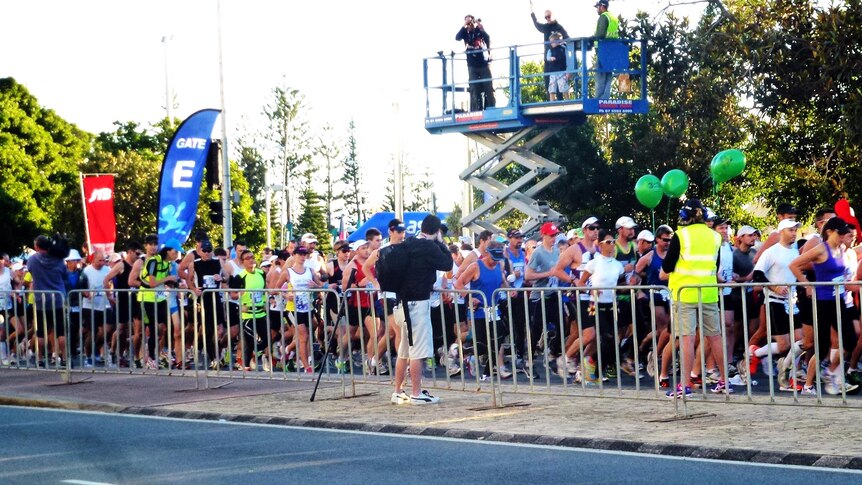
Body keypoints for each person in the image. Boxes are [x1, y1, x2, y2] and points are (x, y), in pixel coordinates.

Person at [661, 199, 730, 398]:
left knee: (687, 340)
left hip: (684, 293)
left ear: (685, 216)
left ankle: (685, 385)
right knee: (715, 337)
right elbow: (714, 267)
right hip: (708, 293)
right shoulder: (715, 236)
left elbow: (667, 267)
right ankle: (724, 381)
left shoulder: (680, 235)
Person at [391, 215, 453, 405]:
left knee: (404, 350)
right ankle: (417, 393)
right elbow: (448, 264)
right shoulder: (429, 246)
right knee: (417, 350)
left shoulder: (409, 242)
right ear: (436, 231)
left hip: (401, 302)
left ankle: (398, 391)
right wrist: (441, 242)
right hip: (418, 303)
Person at [456, 14, 495, 111]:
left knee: (488, 86)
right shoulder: (465, 32)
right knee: (474, 87)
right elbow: (457, 37)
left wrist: (480, 26)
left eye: (470, 23)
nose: (469, 25)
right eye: (467, 23)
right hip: (472, 65)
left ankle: (492, 108)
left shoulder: (478, 31)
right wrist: (464, 24)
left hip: (483, 63)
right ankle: (476, 110)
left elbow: (487, 38)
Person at [530, 3, 570, 97]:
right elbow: (537, 24)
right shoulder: (545, 27)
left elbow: (567, 38)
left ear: (553, 16)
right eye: (545, 17)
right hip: (548, 60)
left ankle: (562, 102)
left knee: (561, 83)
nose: (547, 19)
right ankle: (551, 102)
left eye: (549, 16)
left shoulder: (559, 27)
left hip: (559, 61)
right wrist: (532, 14)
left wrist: (561, 44)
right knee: (548, 82)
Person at [592, 0, 619, 99]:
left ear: (602, 6)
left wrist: (592, 38)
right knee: (608, 75)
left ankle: (599, 98)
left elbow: (600, 34)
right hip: (612, 49)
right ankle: (605, 97)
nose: (597, 10)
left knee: (601, 75)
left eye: (597, 7)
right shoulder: (613, 17)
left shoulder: (603, 17)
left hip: (604, 49)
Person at [545, 32, 569, 101]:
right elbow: (547, 57)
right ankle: (552, 101)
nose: (551, 43)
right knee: (552, 88)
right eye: (551, 42)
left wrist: (568, 71)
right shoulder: (550, 50)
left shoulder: (563, 48)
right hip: (553, 72)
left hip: (561, 71)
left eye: (553, 42)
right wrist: (551, 58)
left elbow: (567, 57)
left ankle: (567, 100)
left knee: (563, 87)